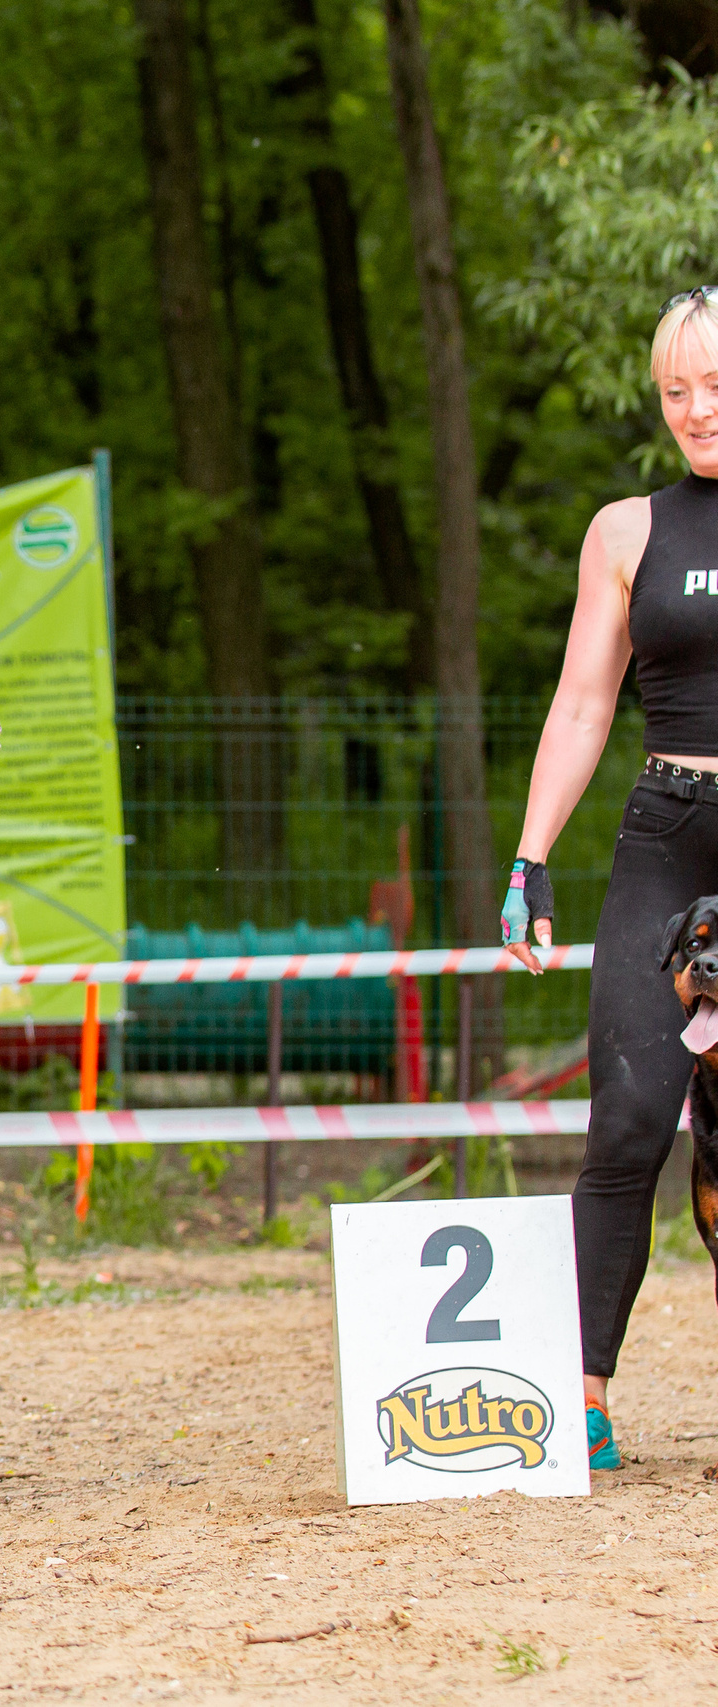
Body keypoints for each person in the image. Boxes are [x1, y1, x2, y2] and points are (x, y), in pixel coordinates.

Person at [504, 285, 718, 1474]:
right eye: (676, 390)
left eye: (716, 385)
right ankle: (578, 1399)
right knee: (628, 1125)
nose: (697, 410)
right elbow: (584, 701)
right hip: (666, 829)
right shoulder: (625, 531)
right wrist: (529, 858)